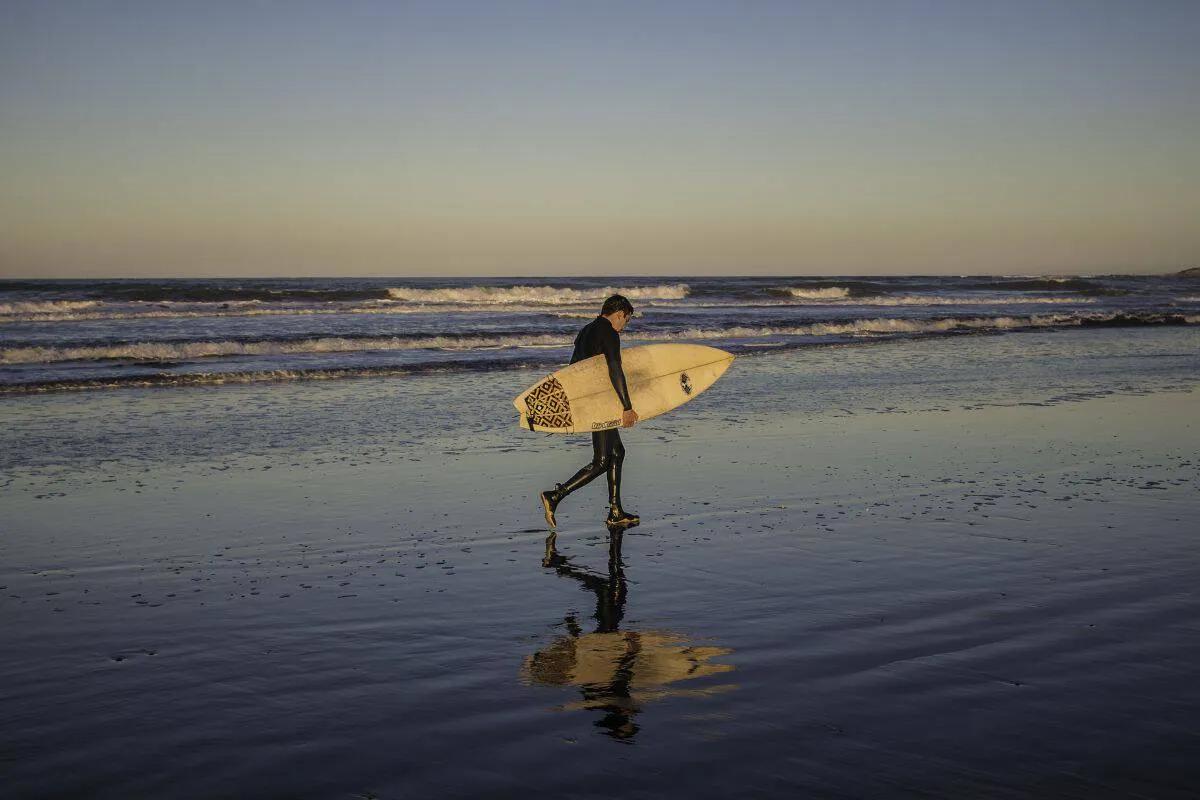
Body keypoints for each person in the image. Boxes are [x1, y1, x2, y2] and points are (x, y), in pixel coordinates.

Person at [540, 294, 640, 528]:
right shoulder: (609, 333)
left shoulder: (586, 330)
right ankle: (555, 496)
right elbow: (615, 369)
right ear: (619, 314)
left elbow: (573, 368)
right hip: (600, 402)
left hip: (588, 399)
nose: (624, 326)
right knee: (602, 460)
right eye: (626, 320)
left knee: (617, 452)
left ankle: (615, 512)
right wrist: (627, 407)